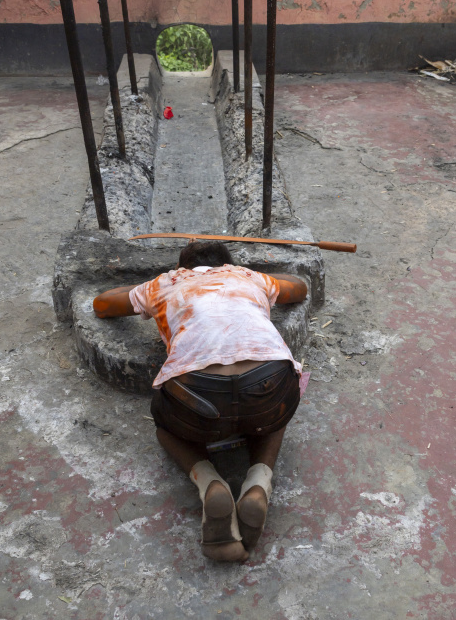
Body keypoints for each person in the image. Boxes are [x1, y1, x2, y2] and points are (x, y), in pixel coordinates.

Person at [93, 241, 307, 563]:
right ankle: (259, 481)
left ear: (182, 269)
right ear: (228, 264)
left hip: (199, 397)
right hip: (268, 381)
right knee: (277, 411)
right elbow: (300, 288)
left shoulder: (166, 284)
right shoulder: (249, 278)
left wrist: (150, 289)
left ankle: (210, 485)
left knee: (166, 428)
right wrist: (250, 274)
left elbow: (102, 304)